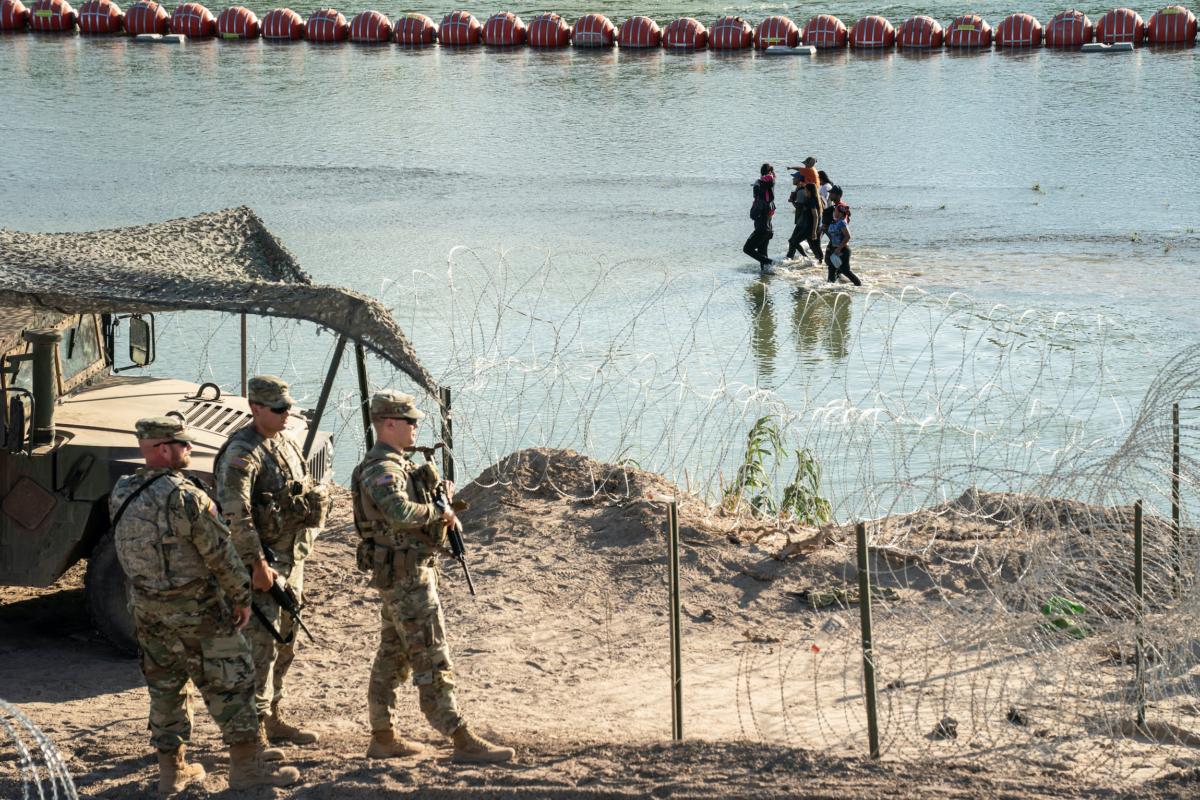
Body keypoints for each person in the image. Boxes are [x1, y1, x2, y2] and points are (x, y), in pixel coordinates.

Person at [110, 417, 299, 792]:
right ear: (164, 449)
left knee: (166, 687)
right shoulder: (186, 497)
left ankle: (172, 771)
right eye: (184, 444)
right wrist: (243, 599)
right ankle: (247, 768)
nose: (190, 449)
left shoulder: (121, 491)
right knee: (234, 681)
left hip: (148, 610)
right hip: (198, 611)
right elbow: (222, 556)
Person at [352, 390, 514, 763]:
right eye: (409, 421)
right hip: (406, 576)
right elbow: (397, 512)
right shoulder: (383, 468)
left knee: (393, 655)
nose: (415, 427)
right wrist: (438, 513)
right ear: (388, 423)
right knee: (431, 653)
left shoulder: (396, 464)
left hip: (405, 571)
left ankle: (383, 735)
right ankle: (460, 736)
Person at [214, 375, 328, 749]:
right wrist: (257, 565)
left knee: (285, 643)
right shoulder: (241, 454)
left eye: (288, 407)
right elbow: (236, 515)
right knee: (258, 650)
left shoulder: (285, 444)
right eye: (278, 409)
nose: (286, 413)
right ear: (256, 408)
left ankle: (273, 715)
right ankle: (253, 731)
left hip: (290, 561)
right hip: (263, 567)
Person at [742, 163, 775, 271]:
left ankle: (771, 262)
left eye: (755, 188)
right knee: (762, 256)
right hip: (768, 229)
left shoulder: (760, 201)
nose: (754, 191)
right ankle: (766, 278)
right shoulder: (770, 201)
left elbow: (753, 215)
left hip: (761, 230)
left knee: (747, 249)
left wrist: (759, 182)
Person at [786, 181, 824, 263]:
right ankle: (819, 261)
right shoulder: (816, 199)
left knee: (794, 241)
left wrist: (813, 231)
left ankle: (807, 258)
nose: (804, 192)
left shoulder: (811, 201)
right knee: (815, 246)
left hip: (809, 228)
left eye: (805, 190)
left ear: (809, 191)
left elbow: (815, 216)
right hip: (812, 226)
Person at [825, 203, 862, 286]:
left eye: (835, 211)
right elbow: (833, 236)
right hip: (834, 250)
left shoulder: (842, 222)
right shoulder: (834, 222)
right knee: (831, 269)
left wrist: (839, 249)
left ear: (840, 213)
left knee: (845, 270)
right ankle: (830, 289)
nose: (834, 212)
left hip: (843, 251)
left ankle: (859, 285)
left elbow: (848, 236)